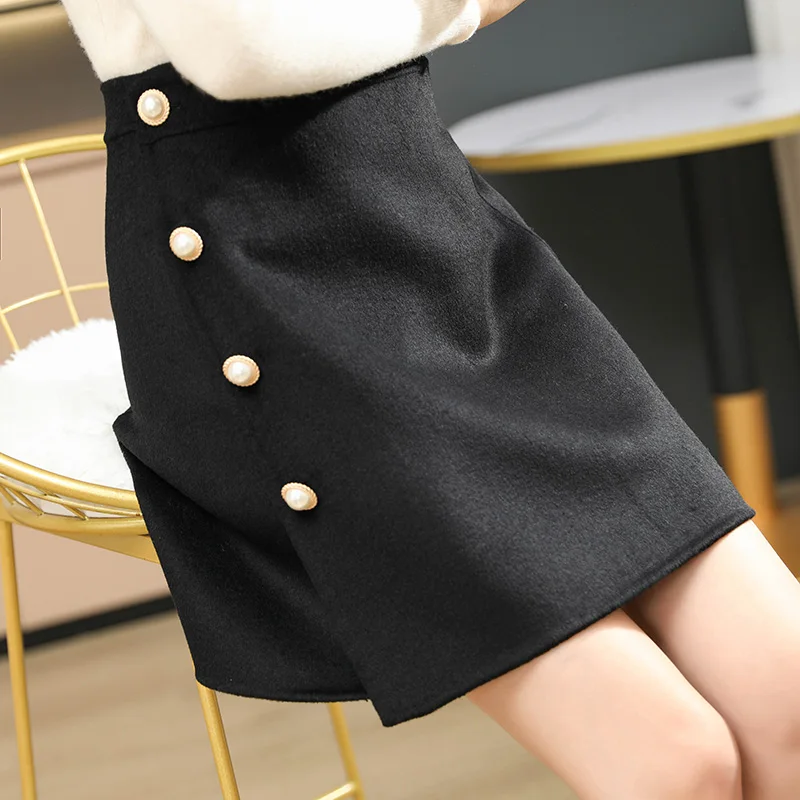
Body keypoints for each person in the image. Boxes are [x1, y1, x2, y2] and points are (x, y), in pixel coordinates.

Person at [59, 1, 800, 797]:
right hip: (266, 279)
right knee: (677, 765)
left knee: (787, 699)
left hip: (432, 224)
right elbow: (243, 50)